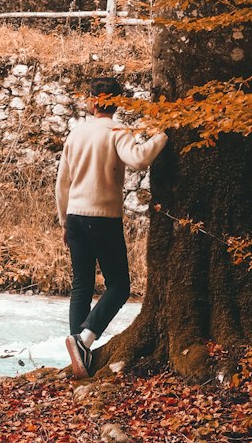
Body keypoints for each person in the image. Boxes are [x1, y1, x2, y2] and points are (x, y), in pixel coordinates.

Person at [55, 75, 168, 377]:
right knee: (118, 286)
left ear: (91, 102)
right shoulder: (117, 131)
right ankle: (84, 340)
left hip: (76, 217)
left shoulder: (76, 134)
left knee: (81, 285)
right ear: (117, 103)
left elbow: (61, 183)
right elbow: (139, 158)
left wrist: (64, 220)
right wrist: (162, 133)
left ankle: (79, 356)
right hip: (103, 217)